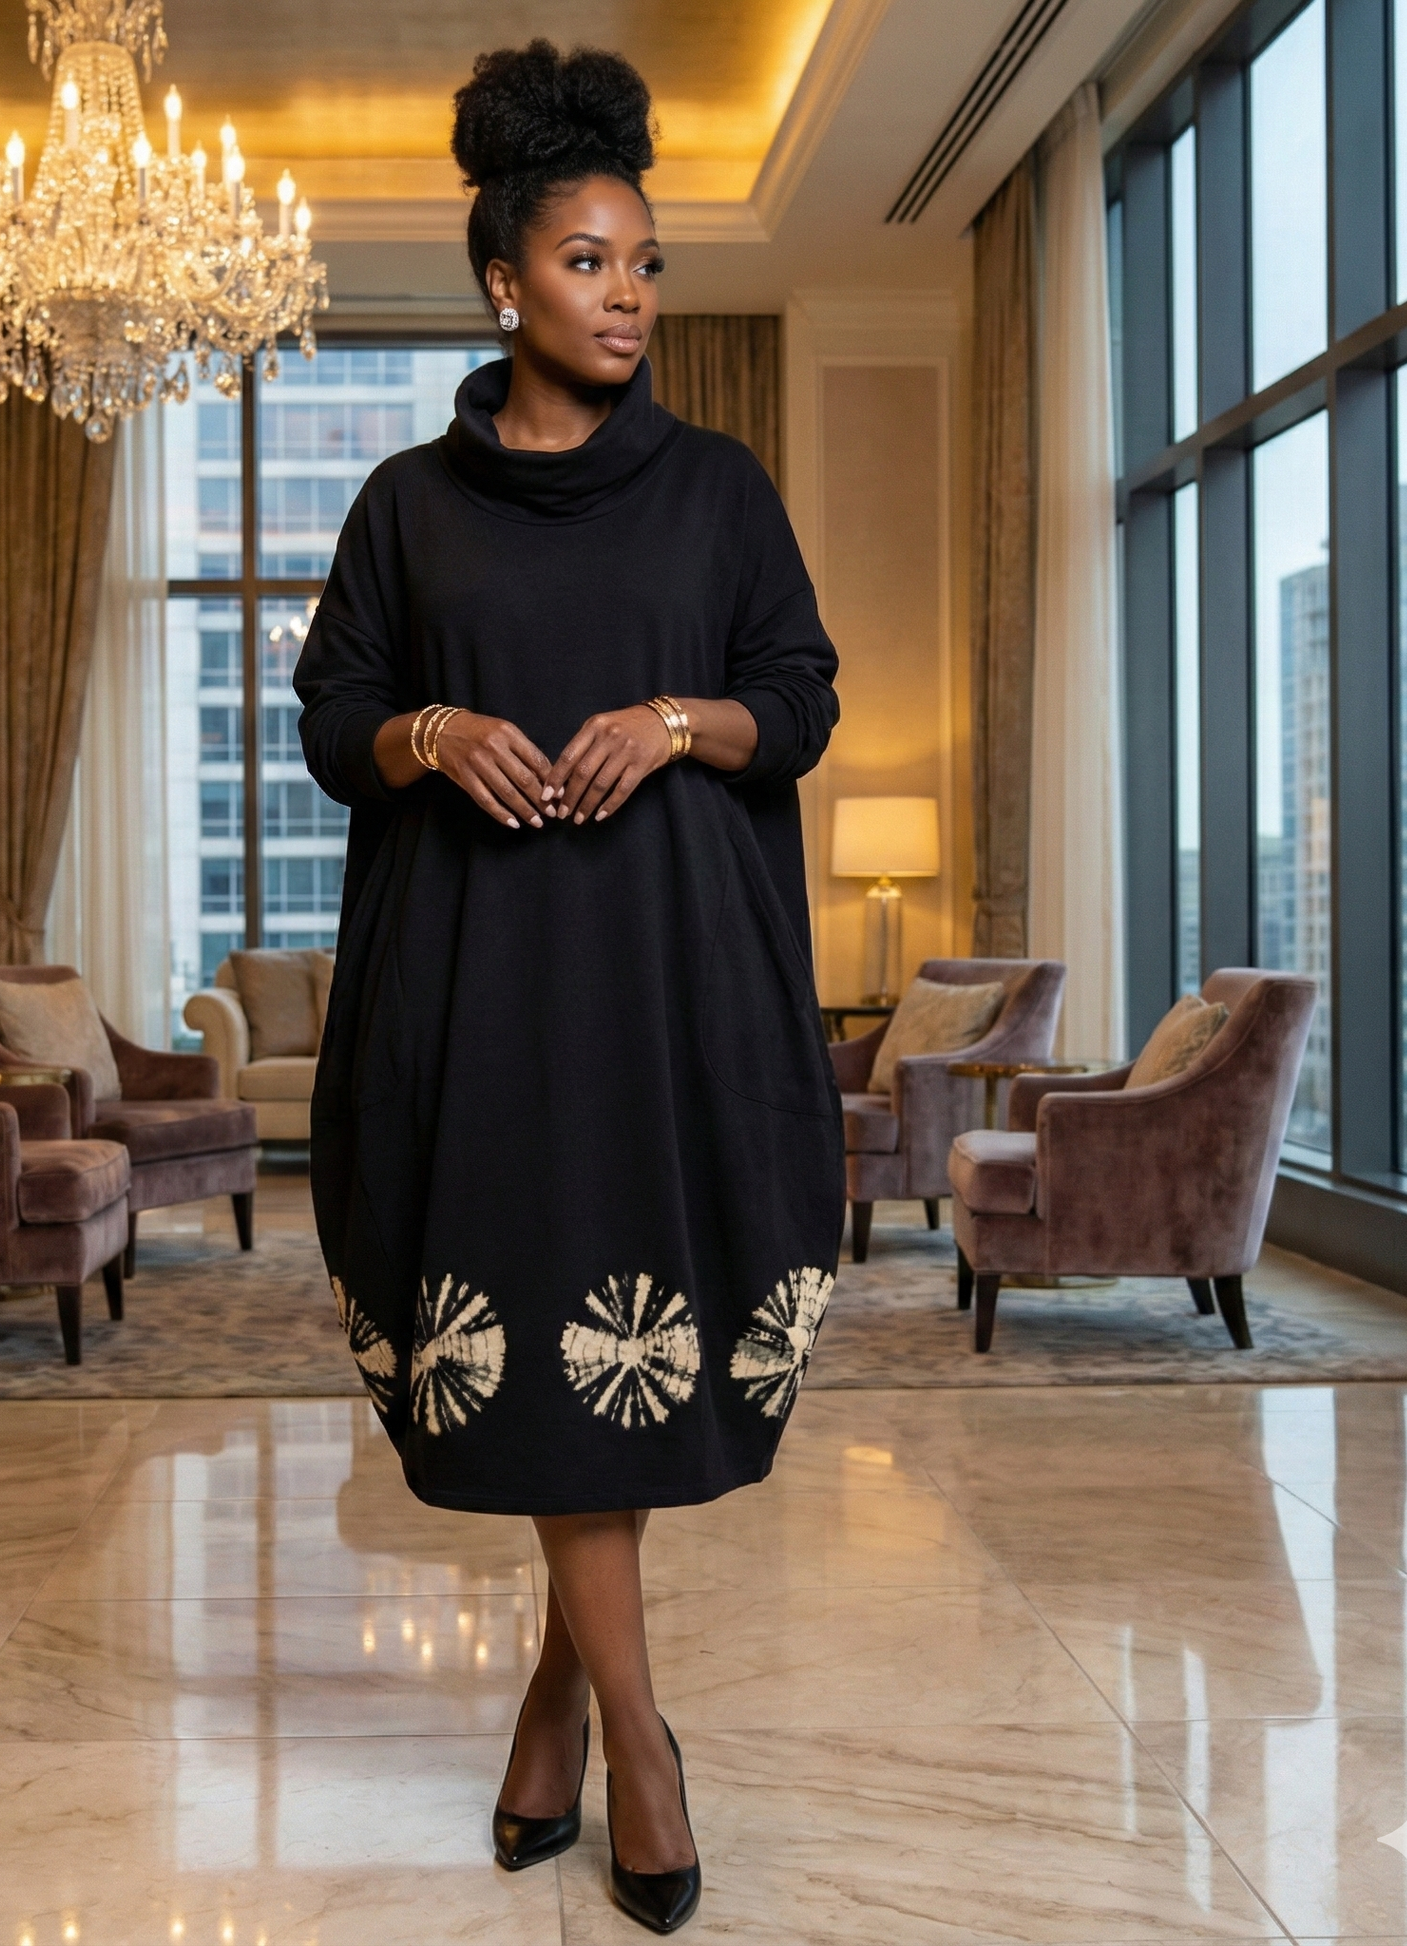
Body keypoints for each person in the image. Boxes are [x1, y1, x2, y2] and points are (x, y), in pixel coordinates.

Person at [294, 38, 843, 1935]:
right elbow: (329, 722)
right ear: (502, 283)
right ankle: (630, 1722)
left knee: (591, 1354)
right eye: (590, 263)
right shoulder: (403, 506)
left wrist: (679, 720)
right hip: (475, 990)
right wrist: (430, 730)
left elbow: (798, 698)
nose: (628, 296)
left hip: (670, 986)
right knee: (523, 1333)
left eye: (645, 264)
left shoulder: (716, 489)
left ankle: (572, 1707)